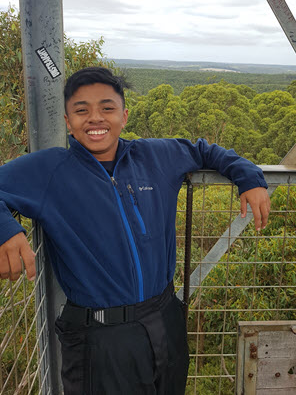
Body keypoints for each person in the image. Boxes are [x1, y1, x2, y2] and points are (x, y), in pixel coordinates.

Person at [0, 66, 270, 394]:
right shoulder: (49, 170)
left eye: (107, 108)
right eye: (81, 110)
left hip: (165, 319)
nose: (95, 118)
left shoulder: (155, 156)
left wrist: (249, 179)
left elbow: (205, 150)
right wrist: (7, 230)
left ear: (124, 116)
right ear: (69, 122)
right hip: (100, 338)